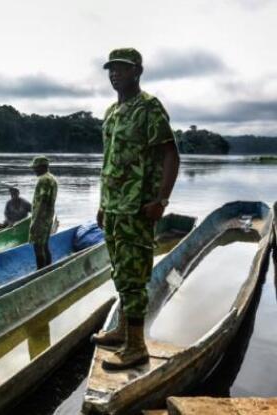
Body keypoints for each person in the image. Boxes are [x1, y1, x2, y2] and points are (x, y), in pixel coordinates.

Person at [92, 48, 180, 370]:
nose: (115, 74)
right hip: (114, 209)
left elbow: (171, 154)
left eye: (122, 69)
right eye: (111, 69)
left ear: (137, 72)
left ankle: (136, 346)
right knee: (119, 272)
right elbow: (108, 163)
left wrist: (162, 200)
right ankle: (121, 332)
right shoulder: (112, 113)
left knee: (135, 277)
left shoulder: (149, 108)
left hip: (138, 209)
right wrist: (103, 205)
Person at [29, 156, 58, 269]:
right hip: (48, 218)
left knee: (38, 247)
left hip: (41, 219)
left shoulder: (43, 180)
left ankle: (40, 271)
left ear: (42, 167)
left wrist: (36, 222)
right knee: (45, 245)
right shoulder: (52, 179)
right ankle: (49, 270)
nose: (34, 170)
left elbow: (42, 202)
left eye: (35, 167)